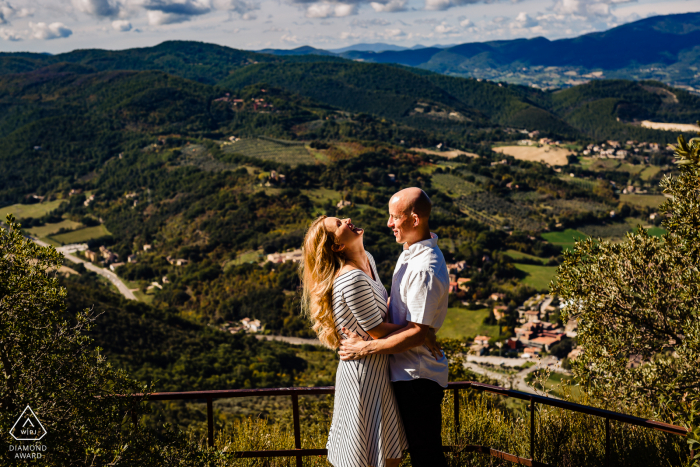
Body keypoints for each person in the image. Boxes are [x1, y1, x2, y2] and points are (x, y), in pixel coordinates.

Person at [299, 215, 441, 467]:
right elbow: (376, 330)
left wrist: (416, 327)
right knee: (368, 455)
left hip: (379, 366)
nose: (347, 219)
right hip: (364, 373)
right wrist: (420, 330)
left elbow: (382, 308)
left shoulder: (369, 261)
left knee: (387, 453)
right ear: (337, 246)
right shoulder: (350, 278)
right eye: (339, 224)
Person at [339, 188, 450, 467]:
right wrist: (423, 331)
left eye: (394, 217)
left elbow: (414, 333)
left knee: (426, 458)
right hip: (402, 373)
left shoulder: (425, 267)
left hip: (418, 377)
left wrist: (365, 347)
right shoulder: (408, 254)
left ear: (414, 219)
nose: (389, 224)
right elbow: (400, 309)